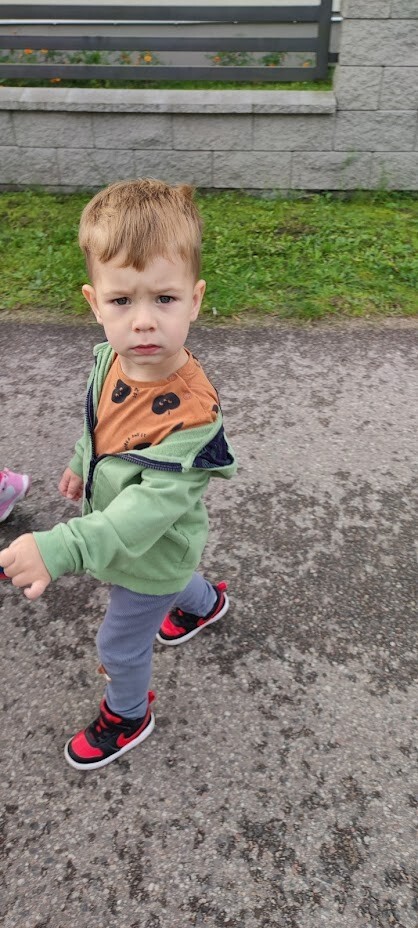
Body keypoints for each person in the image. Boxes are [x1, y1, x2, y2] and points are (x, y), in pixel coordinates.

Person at [0, 179, 236, 771]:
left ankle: (128, 714)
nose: (144, 323)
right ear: (94, 302)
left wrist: (62, 547)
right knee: (170, 573)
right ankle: (205, 604)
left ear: (196, 299)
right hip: (154, 548)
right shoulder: (110, 358)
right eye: (123, 301)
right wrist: (83, 459)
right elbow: (99, 420)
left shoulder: (192, 419)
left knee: (120, 642)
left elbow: (144, 513)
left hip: (146, 543)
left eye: (165, 298)